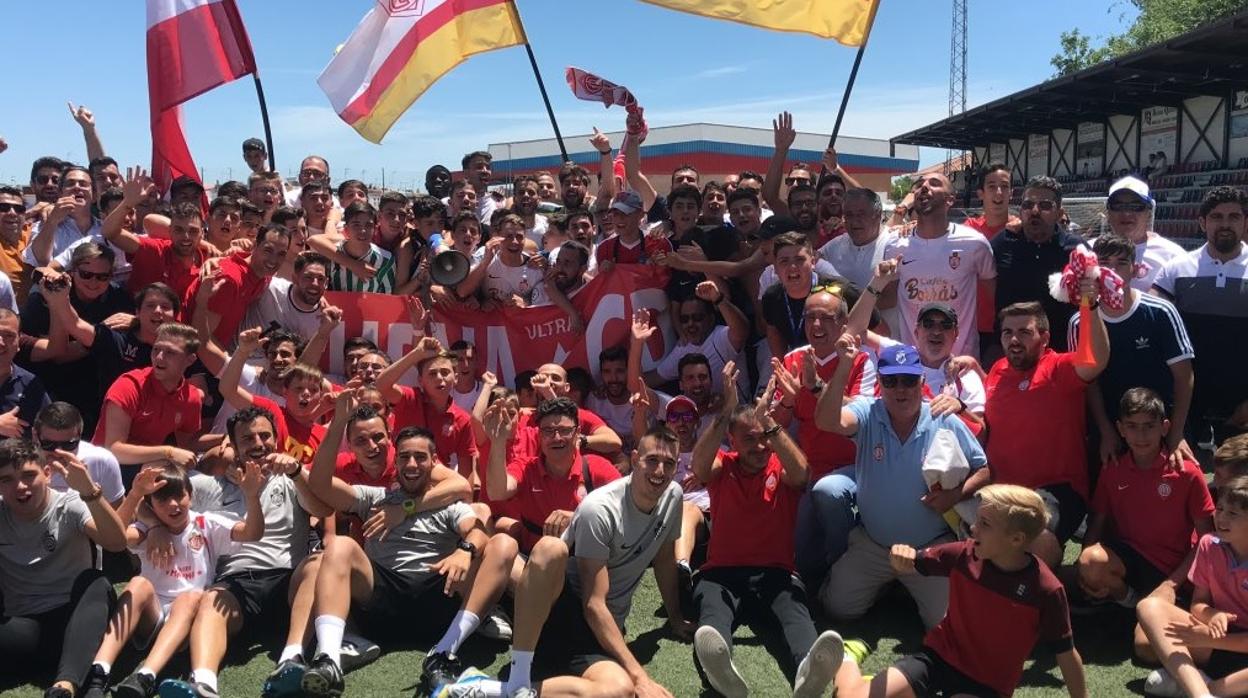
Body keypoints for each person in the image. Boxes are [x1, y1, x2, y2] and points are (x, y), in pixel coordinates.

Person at [442, 420, 690, 698]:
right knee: (550, 548)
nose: (660, 471)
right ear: (634, 459)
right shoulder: (600, 509)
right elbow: (593, 604)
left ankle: (487, 690)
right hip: (560, 615)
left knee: (617, 691)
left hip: (603, 629)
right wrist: (641, 677)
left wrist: (676, 617)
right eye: (652, 460)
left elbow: (666, 560)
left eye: (669, 463)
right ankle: (513, 675)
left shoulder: (673, 496)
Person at [302, 392, 508, 697]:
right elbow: (319, 485)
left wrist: (464, 551)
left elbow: (476, 529)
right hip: (382, 601)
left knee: (502, 543)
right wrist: (337, 426)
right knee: (341, 546)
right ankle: (329, 659)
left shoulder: (448, 502)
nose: (412, 464)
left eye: (420, 457)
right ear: (394, 460)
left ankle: (444, 653)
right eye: (404, 457)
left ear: (434, 461)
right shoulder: (375, 497)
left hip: (438, 595)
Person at [826, 484, 1089, 698]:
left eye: (985, 524)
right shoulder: (964, 554)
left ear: (1016, 539)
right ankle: (847, 656)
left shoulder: (1046, 590)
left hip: (986, 686)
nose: (973, 528)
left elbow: (1065, 653)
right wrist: (900, 557)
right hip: (938, 659)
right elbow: (912, 560)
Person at [688, 364, 846, 698]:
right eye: (749, 439)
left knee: (796, 615)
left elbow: (802, 474)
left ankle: (808, 673)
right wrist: (724, 413)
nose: (759, 447)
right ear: (732, 440)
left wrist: (770, 423)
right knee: (712, 615)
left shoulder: (780, 464)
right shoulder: (724, 465)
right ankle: (720, 670)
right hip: (722, 574)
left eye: (764, 439)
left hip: (776, 573)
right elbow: (699, 466)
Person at [814, 339, 990, 629]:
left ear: (921, 381)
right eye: (890, 381)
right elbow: (826, 421)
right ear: (880, 383)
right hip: (875, 544)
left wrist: (954, 495)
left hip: (929, 549)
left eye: (908, 380)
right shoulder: (868, 412)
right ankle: (885, 582)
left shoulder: (942, 417)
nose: (900, 389)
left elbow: (984, 469)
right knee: (837, 610)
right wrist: (844, 364)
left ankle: (902, 586)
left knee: (944, 625)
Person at [83, 462, 265, 698]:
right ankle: (99, 672)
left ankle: (145, 676)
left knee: (190, 597)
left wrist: (251, 496)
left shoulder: (206, 523)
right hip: (151, 616)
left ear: (190, 494)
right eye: (162, 501)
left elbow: (252, 533)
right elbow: (115, 537)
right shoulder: (146, 529)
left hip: (186, 623)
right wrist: (136, 494)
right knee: (138, 583)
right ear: (151, 507)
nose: (173, 505)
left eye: (179, 496)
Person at [1074, 388, 1213, 655]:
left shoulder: (1186, 472)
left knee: (1144, 648)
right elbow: (1097, 522)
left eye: (1149, 427)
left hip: (1176, 573)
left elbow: (1207, 540)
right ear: (1120, 429)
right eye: (1132, 427)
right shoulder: (1113, 468)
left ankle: (1147, 610)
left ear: (1165, 427)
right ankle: (1130, 603)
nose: (1140, 436)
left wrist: (1170, 585)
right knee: (1088, 564)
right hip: (1131, 564)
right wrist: (1084, 569)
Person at [978, 299, 1109, 567]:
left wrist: (1090, 304)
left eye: (1024, 332)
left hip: (1056, 491)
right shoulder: (996, 370)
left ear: (1045, 337)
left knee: (1035, 541)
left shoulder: (1058, 368)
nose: (1014, 339)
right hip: (1002, 490)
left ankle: (1043, 599)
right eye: (1007, 333)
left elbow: (1096, 358)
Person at [0, 439, 128, 697]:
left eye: (28, 475)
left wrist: (90, 491)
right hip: (24, 629)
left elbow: (116, 542)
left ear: (47, 474)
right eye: (7, 479)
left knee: (96, 582)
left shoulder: (69, 504)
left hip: (77, 623)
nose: (20, 487)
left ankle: (64, 687)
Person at [772, 283, 877, 587]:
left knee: (829, 493)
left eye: (826, 318)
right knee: (802, 562)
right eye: (810, 317)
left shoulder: (862, 360)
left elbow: (856, 416)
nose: (816, 325)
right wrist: (788, 401)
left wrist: (817, 388)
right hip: (808, 469)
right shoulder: (794, 359)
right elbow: (771, 426)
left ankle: (848, 568)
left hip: (854, 467)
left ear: (844, 324)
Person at [1072, 234, 1195, 467]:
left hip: (1158, 426)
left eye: (1121, 263)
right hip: (1110, 428)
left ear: (1135, 269)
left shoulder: (1160, 312)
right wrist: (1106, 431)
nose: (1113, 270)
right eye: (1105, 263)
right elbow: (1088, 384)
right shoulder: (1079, 322)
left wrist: (1176, 432)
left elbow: (1184, 376)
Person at [1152, 186, 1248, 448]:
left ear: (1245, 222)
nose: (1225, 224)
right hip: (1188, 400)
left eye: (1234, 217)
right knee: (1188, 478)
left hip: (1242, 401)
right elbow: (1158, 330)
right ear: (1202, 222)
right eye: (1217, 217)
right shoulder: (1176, 269)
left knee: (1239, 483)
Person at [1136, 476, 1248, 698]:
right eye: (1220, 509)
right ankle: (1200, 693)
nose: (1221, 518)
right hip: (1214, 641)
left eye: (1233, 513)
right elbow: (1198, 603)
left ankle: (1205, 687)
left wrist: (1210, 639)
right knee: (1149, 607)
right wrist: (1213, 614)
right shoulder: (1209, 545)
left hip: (1236, 650)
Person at [485, 396, 621, 554]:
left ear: (577, 433)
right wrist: (498, 441)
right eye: (548, 431)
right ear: (540, 435)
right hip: (532, 560)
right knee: (501, 542)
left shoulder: (596, 467)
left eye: (564, 431)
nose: (556, 438)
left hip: (583, 562)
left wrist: (578, 518)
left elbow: (624, 509)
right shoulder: (526, 467)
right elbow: (496, 492)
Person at [883, 172, 996, 358]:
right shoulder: (895, 244)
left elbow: (993, 298)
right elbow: (888, 298)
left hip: (961, 361)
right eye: (919, 185)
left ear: (950, 200)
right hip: (912, 362)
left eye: (934, 183)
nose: (924, 187)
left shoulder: (974, 243)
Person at [92, 323, 204, 486]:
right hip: (105, 468)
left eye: (170, 352)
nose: (159, 357)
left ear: (190, 360)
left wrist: (225, 439)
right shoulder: (129, 386)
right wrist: (168, 452)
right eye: (156, 349)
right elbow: (114, 449)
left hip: (151, 463)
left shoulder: (191, 397)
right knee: (163, 472)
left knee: (217, 459)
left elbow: (187, 444)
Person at [991, 175, 1083, 351]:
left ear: (1059, 213)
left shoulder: (1077, 251)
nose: (1034, 211)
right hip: (1010, 354)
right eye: (1027, 205)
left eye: (1045, 205)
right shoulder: (1000, 245)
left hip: (1061, 355)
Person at [182, 223, 291, 350]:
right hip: (189, 353)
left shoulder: (263, 275)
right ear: (255, 245)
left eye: (281, 254)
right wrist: (233, 364)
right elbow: (201, 338)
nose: (273, 260)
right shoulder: (228, 280)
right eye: (268, 250)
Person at [651, 280, 748, 395]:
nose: (690, 324)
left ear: (711, 319)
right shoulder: (683, 347)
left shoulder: (721, 336)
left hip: (737, 411)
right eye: (685, 319)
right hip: (702, 412)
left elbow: (742, 330)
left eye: (697, 317)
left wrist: (718, 298)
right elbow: (651, 379)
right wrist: (636, 343)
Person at [35, 402, 123, 509]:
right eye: (49, 444)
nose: (59, 452)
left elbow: (121, 516)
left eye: (69, 444)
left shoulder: (100, 460)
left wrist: (90, 490)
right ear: (35, 436)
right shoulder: (20, 463)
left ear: (80, 436)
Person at [1105, 176, 1185, 291]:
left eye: (1136, 207)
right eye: (1118, 206)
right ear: (1108, 211)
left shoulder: (1173, 256)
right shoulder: (1089, 251)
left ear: (1149, 212)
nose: (1126, 213)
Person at [24, 164, 98, 268]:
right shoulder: (44, 226)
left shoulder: (106, 230)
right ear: (60, 193)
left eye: (83, 184)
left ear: (94, 196)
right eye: (70, 183)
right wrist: (52, 222)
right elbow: (39, 259)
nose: (77, 187)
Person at [0, 309, 50, 438]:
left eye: (9, 335)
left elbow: (50, 431)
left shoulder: (30, 384)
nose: (1, 342)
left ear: (18, 342)